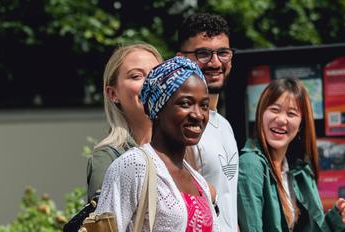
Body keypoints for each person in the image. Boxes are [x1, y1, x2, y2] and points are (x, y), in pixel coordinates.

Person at [95, 56, 219, 231]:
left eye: (204, 105)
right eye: (185, 103)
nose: (198, 115)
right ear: (157, 108)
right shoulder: (134, 165)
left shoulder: (198, 181)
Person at [237, 78, 345, 231]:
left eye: (291, 113)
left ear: (301, 125)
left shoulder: (300, 171)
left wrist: (335, 219)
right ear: (261, 114)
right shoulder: (250, 164)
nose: (281, 119)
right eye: (274, 109)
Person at [177, 12, 239, 231]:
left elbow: (227, 201)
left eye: (223, 53)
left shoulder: (224, 125)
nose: (215, 62)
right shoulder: (182, 125)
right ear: (181, 59)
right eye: (203, 53)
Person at [86, 43, 163, 200]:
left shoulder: (186, 148)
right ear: (113, 93)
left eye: (157, 75)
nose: (150, 82)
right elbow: (106, 223)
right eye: (136, 76)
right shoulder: (108, 158)